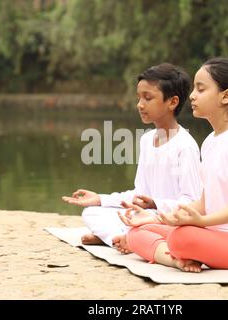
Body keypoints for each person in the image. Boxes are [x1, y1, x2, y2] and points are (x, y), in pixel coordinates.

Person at [119, 57, 228, 272]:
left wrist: (201, 222)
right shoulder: (209, 142)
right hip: (216, 233)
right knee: (137, 231)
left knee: (182, 237)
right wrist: (161, 217)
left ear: (226, 96)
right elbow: (205, 201)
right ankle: (175, 260)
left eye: (200, 89)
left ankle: (177, 251)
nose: (192, 96)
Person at [62, 63, 202, 250]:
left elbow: (191, 203)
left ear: (172, 102)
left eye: (148, 98)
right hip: (145, 216)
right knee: (91, 212)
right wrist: (100, 199)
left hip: (167, 220)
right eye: (139, 98)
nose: (140, 105)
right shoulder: (146, 141)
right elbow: (139, 193)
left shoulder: (185, 146)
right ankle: (119, 238)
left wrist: (155, 204)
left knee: (155, 226)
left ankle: (123, 238)